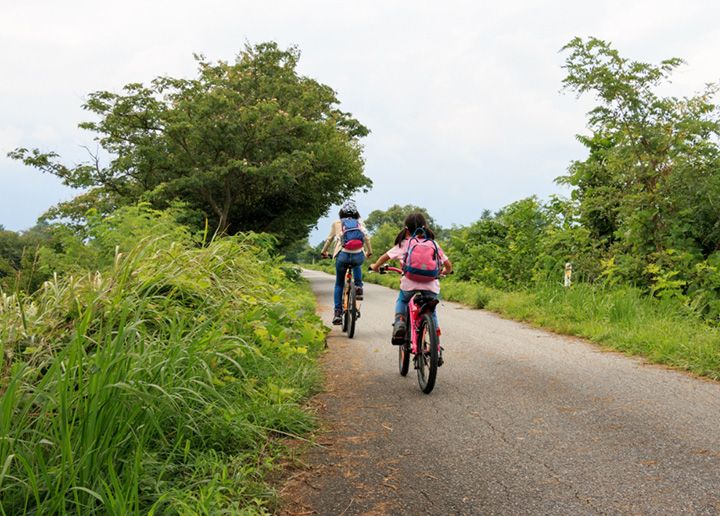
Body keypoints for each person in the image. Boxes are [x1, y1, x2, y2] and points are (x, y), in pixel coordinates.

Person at [369, 212, 452, 343]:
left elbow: (385, 257)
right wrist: (443, 272)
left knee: (402, 301)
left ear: (406, 230)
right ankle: (435, 340)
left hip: (409, 284)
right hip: (431, 285)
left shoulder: (404, 244)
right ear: (425, 227)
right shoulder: (433, 244)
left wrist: (375, 266)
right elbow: (448, 266)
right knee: (431, 311)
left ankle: (400, 323)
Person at [321, 201, 372, 325]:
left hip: (342, 256)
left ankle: (337, 312)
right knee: (357, 263)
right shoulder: (360, 223)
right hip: (358, 255)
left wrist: (324, 251)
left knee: (339, 283)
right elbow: (367, 239)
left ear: (342, 212)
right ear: (356, 213)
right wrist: (369, 252)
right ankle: (359, 287)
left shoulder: (337, 223)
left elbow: (329, 239)